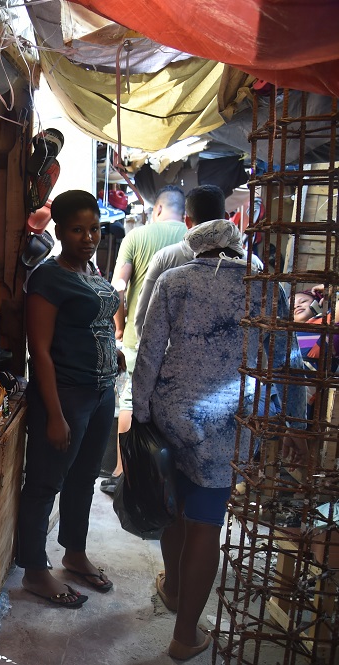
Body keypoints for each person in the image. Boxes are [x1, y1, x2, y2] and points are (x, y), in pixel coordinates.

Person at [133, 219, 307, 660]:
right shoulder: (265, 286)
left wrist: (139, 414)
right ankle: (185, 635)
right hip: (230, 419)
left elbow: (150, 351)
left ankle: (173, 589)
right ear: (235, 245)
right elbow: (285, 359)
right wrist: (296, 423)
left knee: (173, 507)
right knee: (207, 522)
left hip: (172, 410)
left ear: (196, 249)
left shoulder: (175, 280)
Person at [17, 190, 124, 608]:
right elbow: (39, 349)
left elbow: (96, 322)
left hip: (100, 394)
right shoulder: (48, 277)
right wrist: (55, 415)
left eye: (94, 228)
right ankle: (34, 571)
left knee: (84, 479)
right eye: (78, 230)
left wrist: (110, 353)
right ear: (60, 231)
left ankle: (74, 554)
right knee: (45, 483)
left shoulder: (92, 271)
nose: (88, 237)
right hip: (65, 396)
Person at [105, 186, 187, 492]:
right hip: (177, 342)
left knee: (130, 398)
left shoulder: (137, 237)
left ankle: (121, 472)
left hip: (139, 338)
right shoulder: (192, 241)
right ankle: (160, 477)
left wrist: (119, 324)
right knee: (167, 404)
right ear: (184, 213)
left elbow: (118, 286)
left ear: (157, 209)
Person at [133, 185, 264, 340]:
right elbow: (262, 325)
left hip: (178, 362)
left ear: (187, 221)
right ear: (227, 217)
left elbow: (143, 323)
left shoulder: (165, 259)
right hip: (237, 363)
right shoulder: (252, 264)